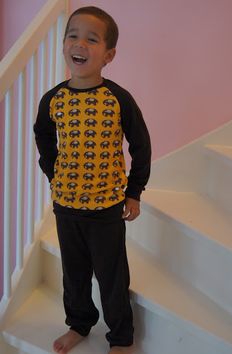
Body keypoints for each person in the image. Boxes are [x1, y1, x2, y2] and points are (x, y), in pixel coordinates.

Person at [34, 6, 151, 354]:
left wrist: (134, 193)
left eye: (91, 38)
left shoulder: (118, 99)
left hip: (106, 206)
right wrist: (52, 169)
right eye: (72, 34)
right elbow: (42, 135)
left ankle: (121, 337)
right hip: (66, 205)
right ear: (64, 43)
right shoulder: (54, 99)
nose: (79, 43)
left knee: (112, 274)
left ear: (108, 54)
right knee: (74, 272)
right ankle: (80, 323)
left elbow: (141, 145)